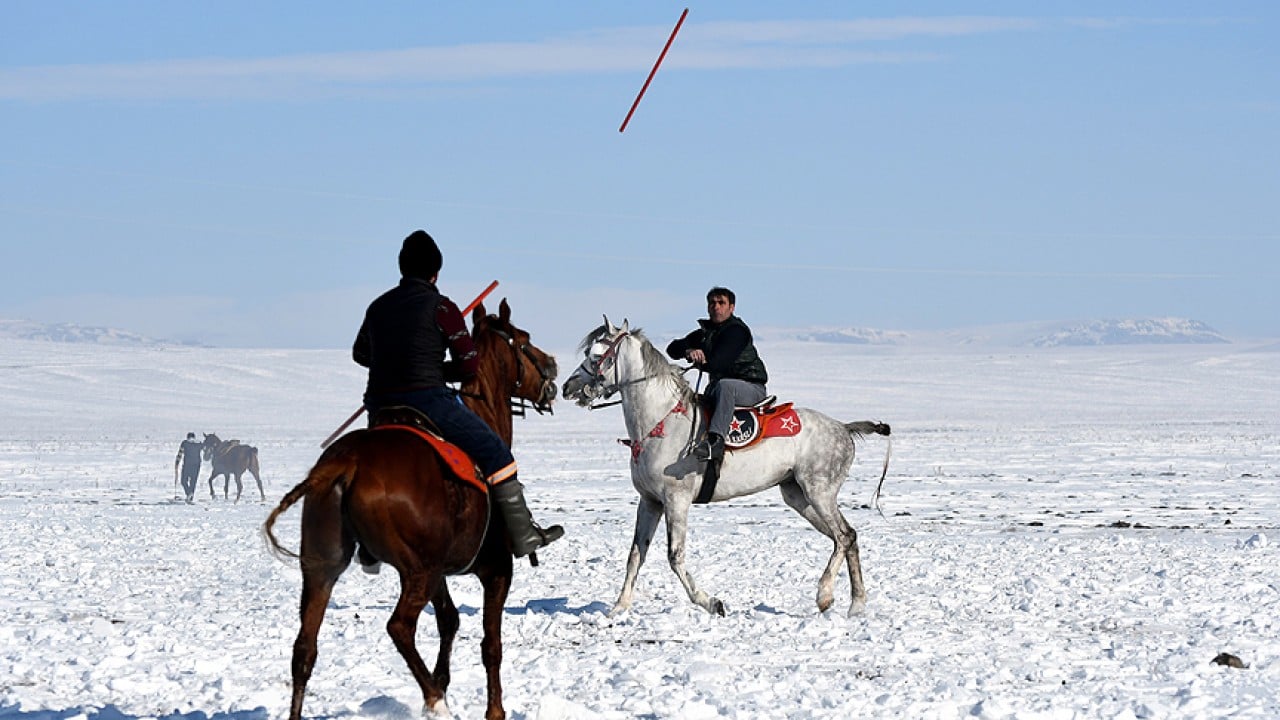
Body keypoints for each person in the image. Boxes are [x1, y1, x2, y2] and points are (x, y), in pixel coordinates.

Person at [352, 229, 563, 558]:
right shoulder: (443, 309)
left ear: (402, 269)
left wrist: (393, 361)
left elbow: (361, 354)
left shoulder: (378, 307)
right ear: (435, 273)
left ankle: (368, 543)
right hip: (427, 402)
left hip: (379, 407)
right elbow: (468, 367)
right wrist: (436, 369)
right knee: (496, 453)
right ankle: (523, 536)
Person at [666, 286, 769, 461]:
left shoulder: (737, 331)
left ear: (732, 307)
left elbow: (718, 363)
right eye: (712, 303)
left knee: (726, 385)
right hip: (718, 390)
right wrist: (688, 350)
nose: (716, 307)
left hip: (750, 389)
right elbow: (672, 348)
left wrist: (700, 358)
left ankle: (715, 442)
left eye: (721, 302)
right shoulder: (706, 333)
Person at [174, 432, 203, 503]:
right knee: (193, 482)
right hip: (197, 465)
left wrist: (177, 463)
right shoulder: (199, 444)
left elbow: (180, 453)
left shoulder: (185, 443)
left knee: (184, 480)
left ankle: (188, 493)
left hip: (187, 464)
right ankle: (190, 497)